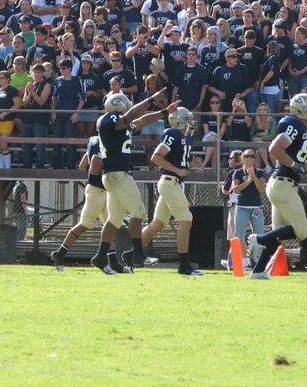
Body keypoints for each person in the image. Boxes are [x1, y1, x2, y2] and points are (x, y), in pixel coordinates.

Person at [92, 90, 176, 274]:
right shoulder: (110, 119)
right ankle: (138, 253)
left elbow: (141, 120)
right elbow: (131, 116)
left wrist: (164, 113)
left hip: (114, 175)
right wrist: (152, 99)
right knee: (138, 211)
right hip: (118, 174)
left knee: (114, 219)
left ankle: (100, 256)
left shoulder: (121, 123)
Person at [248, 93, 307, 280]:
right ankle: (258, 239)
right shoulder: (293, 124)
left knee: (279, 235)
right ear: (301, 109)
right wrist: (293, 164)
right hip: (283, 185)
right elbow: (274, 148)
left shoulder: (303, 127)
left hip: (283, 185)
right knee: (302, 231)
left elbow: (295, 158)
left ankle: (258, 270)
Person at [50, 135, 131, 273]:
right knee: (85, 224)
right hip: (97, 189)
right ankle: (60, 253)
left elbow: (83, 165)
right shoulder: (104, 140)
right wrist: (104, 175)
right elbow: (94, 162)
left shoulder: (93, 140)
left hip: (104, 189)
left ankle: (113, 262)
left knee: (110, 225)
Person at [140, 108, 204, 276]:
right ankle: (184, 265)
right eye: (188, 118)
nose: (191, 121)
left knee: (158, 223)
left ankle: (133, 253)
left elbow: (181, 166)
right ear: (179, 120)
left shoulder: (186, 137)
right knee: (186, 220)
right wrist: (177, 169)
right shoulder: (173, 134)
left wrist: (191, 165)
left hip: (173, 183)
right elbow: (156, 157)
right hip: (170, 183)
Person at [228, 149, 266, 270]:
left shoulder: (259, 172)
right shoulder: (237, 173)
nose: (250, 158)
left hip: (256, 208)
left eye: (252, 156)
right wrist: (248, 180)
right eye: (247, 156)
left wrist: (253, 177)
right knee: (239, 236)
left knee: (259, 236)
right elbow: (236, 189)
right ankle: (244, 262)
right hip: (242, 207)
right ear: (242, 159)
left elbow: (261, 190)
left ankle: (257, 262)